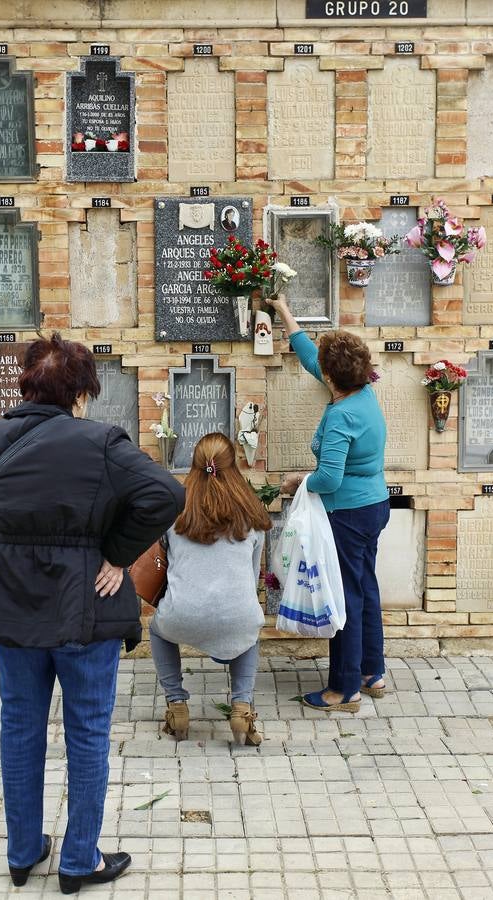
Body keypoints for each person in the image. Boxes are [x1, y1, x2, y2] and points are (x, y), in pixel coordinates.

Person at [0, 334, 185, 894]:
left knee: (20, 728)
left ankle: (23, 852)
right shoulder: (103, 444)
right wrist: (116, 554)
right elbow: (164, 494)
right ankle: (79, 861)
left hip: (13, 610)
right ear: (81, 393)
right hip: (88, 610)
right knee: (86, 732)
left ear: (25, 384)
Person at [268, 294, 390, 713]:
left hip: (348, 515)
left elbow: (329, 478)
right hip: (374, 506)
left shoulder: (341, 416)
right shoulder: (363, 391)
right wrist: (283, 310)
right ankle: (373, 670)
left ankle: (344, 689)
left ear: (331, 377)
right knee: (365, 587)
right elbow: (310, 358)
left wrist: (298, 481)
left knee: (345, 598)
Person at [149, 432, 271, 745]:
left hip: (182, 616)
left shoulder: (175, 513)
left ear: (194, 466)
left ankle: (177, 704)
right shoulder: (253, 516)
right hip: (237, 615)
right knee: (248, 628)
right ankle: (242, 707)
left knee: (158, 628)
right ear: (233, 468)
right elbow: (252, 574)